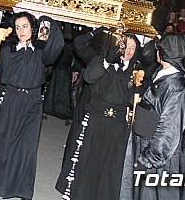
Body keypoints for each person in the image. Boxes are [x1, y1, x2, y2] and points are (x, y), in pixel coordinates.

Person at [0, 13, 63, 199]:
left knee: (26, 148)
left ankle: (21, 189)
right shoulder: (6, 50)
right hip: (9, 99)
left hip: (31, 103)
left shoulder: (41, 51)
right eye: (18, 27)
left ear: (33, 28)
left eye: (26, 26)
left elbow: (58, 44)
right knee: (2, 141)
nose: (22, 31)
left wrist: (46, 18)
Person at [56, 31, 139, 200]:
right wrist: (108, 61)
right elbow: (89, 77)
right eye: (126, 46)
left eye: (133, 48)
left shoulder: (136, 72)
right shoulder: (101, 62)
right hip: (96, 119)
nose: (129, 51)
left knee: (110, 165)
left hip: (117, 123)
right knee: (87, 161)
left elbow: (131, 98)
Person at [120, 33, 185, 200]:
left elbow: (170, 128)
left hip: (154, 152)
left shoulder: (177, 84)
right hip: (143, 141)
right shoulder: (162, 73)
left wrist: (148, 159)